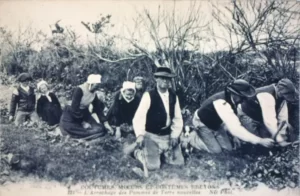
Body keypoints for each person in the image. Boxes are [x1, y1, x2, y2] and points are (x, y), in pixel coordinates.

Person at [192, 79, 275, 153]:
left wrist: (234, 136)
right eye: (242, 97)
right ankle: (193, 140)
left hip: (217, 123)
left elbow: (233, 120)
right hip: (202, 123)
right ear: (234, 94)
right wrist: (260, 141)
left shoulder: (233, 100)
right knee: (216, 151)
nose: (244, 100)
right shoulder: (222, 103)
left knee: (228, 149)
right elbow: (235, 128)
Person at [132, 67, 184, 170]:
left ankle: (161, 153)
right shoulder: (148, 95)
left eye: (167, 78)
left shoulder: (174, 96)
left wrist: (174, 136)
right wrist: (140, 135)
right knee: (153, 166)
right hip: (152, 136)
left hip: (167, 136)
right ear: (156, 79)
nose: (165, 80)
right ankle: (138, 152)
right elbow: (139, 117)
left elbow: (178, 118)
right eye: (162, 78)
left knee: (179, 163)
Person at [239, 78, 298, 146]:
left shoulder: (282, 97)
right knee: (261, 143)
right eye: (287, 95)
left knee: (272, 139)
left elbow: (283, 118)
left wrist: (282, 136)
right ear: (280, 91)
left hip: (260, 115)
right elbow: (269, 121)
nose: (288, 97)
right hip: (246, 114)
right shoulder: (267, 96)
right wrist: (280, 140)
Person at [59, 74, 114, 139]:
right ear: (90, 84)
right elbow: (74, 108)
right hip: (71, 114)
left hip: (84, 113)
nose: (97, 88)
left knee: (100, 128)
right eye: (96, 86)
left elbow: (98, 109)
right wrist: (83, 122)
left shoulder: (94, 94)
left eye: (98, 86)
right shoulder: (79, 90)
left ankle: (89, 133)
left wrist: (106, 123)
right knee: (70, 129)